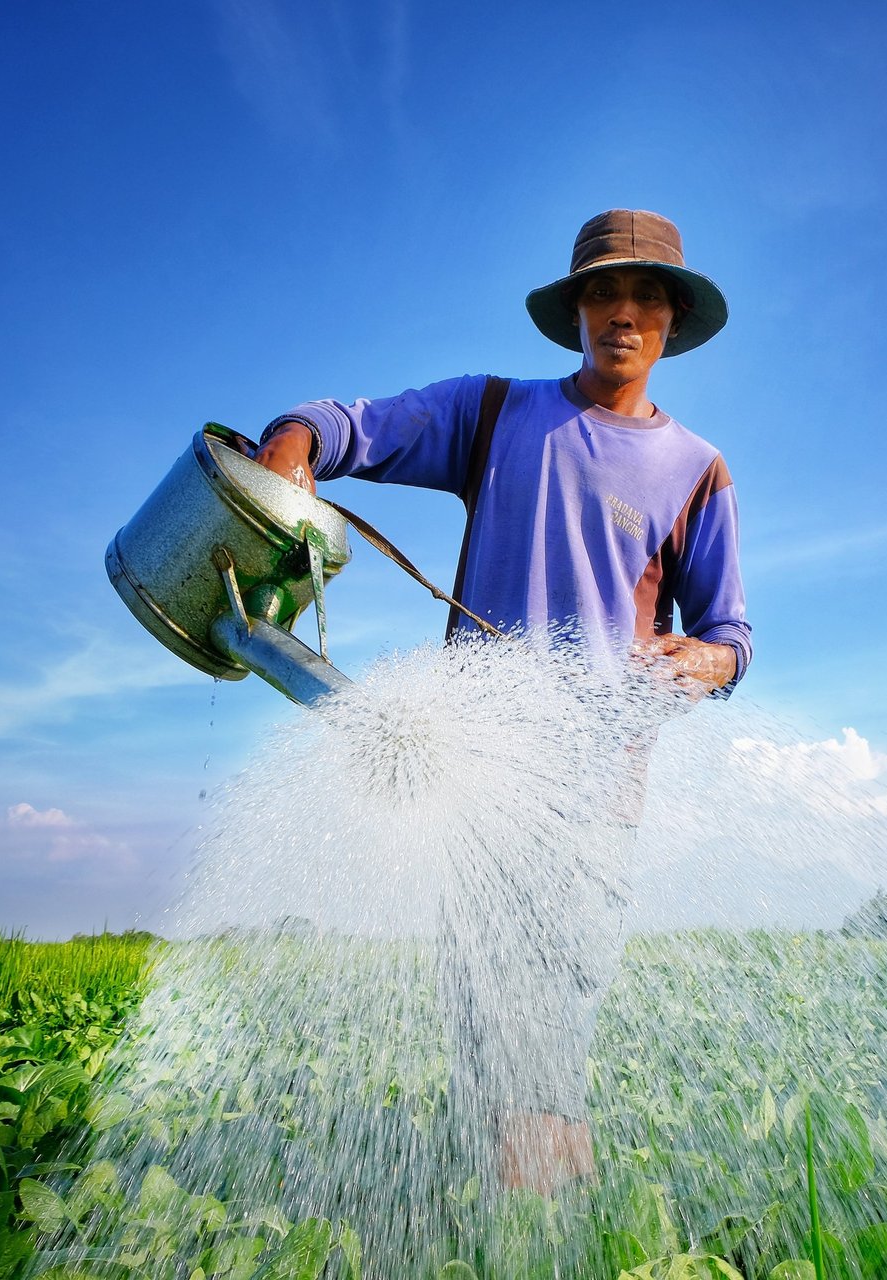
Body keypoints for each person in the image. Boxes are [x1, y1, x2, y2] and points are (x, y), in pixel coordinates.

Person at [253, 209, 751, 1195]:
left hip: (596, 793)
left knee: (547, 1035)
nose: (622, 312)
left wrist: (700, 661)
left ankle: (547, 1223)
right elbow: (348, 424)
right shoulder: (495, 414)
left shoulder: (698, 471)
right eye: (602, 291)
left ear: (672, 318)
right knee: (486, 1032)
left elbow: (731, 638)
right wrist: (291, 443)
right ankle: (515, 1219)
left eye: (644, 295)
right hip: (476, 783)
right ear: (576, 311)